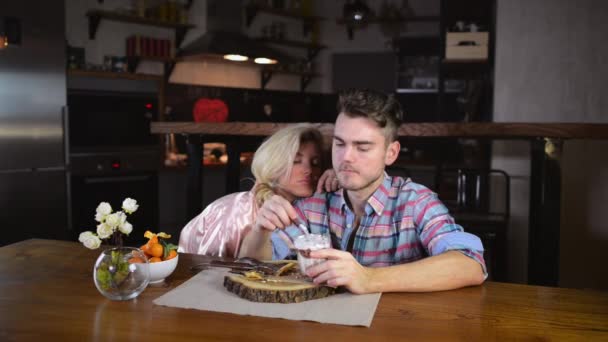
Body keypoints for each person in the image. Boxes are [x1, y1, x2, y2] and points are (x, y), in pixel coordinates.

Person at [238, 89, 487, 294]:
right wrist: (260, 231)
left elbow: (471, 263)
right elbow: (253, 268)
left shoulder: (415, 201)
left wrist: (369, 278)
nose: (346, 157)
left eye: (363, 147)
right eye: (340, 143)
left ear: (391, 153)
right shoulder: (311, 204)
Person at [178, 124, 338, 257]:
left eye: (316, 163)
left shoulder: (315, 211)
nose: (309, 169)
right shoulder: (233, 212)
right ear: (274, 163)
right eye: (296, 161)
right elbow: (203, 273)